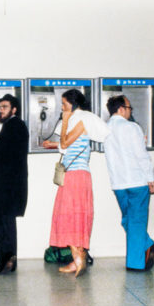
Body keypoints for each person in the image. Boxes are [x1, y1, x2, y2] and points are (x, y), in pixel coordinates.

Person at [43, 89, 110, 277]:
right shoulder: (78, 120)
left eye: (64, 104)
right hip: (74, 174)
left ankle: (79, 255)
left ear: (73, 104)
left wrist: (64, 121)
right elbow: (68, 144)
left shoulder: (80, 120)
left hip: (76, 176)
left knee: (71, 216)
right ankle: (76, 257)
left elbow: (65, 143)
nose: (62, 108)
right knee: (67, 215)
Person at [104, 95, 154, 271]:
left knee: (128, 218)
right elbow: (141, 155)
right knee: (136, 221)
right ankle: (136, 263)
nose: (130, 111)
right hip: (137, 181)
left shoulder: (105, 129)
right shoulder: (132, 127)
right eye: (129, 108)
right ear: (121, 109)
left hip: (118, 183)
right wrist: (151, 178)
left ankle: (147, 244)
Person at [0, 94, 28, 275]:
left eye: (4, 107)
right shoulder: (7, 126)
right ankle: (7, 260)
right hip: (3, 183)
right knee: (1, 222)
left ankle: (7, 260)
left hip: (10, 184)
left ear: (14, 109)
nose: (1, 110)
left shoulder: (16, 125)